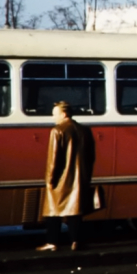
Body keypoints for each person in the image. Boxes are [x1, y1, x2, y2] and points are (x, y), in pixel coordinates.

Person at [37, 101, 95, 252]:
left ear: (63, 114)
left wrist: (50, 179)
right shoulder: (85, 130)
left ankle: (52, 242)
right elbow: (91, 156)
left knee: (52, 211)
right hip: (80, 178)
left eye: (54, 114)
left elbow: (53, 159)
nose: (53, 117)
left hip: (61, 179)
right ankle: (76, 241)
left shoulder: (57, 131)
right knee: (75, 211)